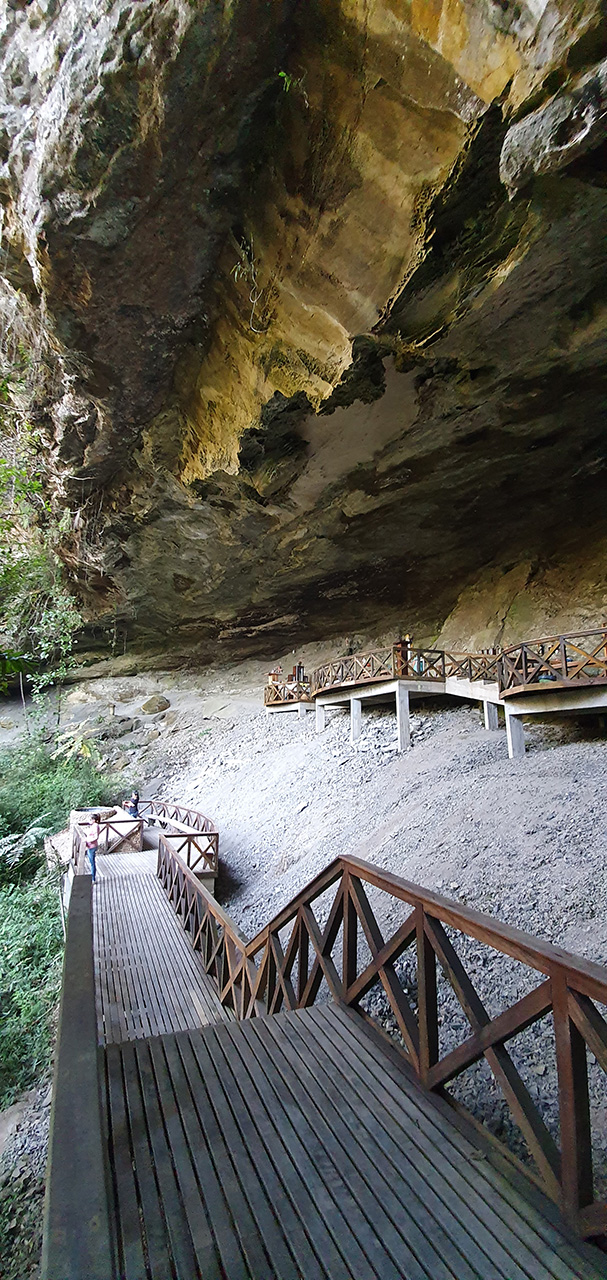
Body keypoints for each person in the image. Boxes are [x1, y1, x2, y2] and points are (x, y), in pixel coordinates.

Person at [85, 813, 101, 884]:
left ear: (94, 820)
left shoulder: (96, 826)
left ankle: (93, 878)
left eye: (90, 819)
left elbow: (96, 837)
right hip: (90, 846)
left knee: (92, 863)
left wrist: (88, 840)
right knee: (91, 862)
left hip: (92, 846)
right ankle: (92, 878)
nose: (89, 820)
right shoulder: (93, 826)